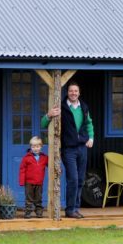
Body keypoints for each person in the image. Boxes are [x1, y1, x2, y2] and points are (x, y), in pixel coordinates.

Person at [41, 81, 94, 219]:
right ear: (67, 92)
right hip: (68, 149)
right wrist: (49, 114)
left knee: (81, 180)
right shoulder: (61, 107)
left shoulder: (84, 107)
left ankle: (76, 208)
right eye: (71, 91)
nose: (73, 93)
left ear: (79, 93)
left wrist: (91, 138)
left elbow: (89, 124)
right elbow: (43, 123)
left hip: (82, 148)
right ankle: (70, 210)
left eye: (76, 91)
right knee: (73, 179)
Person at [19, 136, 49, 218]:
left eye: (37, 146)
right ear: (30, 147)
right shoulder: (26, 158)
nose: (35, 148)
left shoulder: (44, 157)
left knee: (38, 198)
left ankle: (39, 212)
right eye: (33, 147)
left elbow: (51, 165)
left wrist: (58, 169)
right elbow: (22, 170)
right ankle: (28, 212)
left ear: (41, 147)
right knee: (29, 198)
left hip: (39, 182)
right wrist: (22, 181)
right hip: (29, 182)